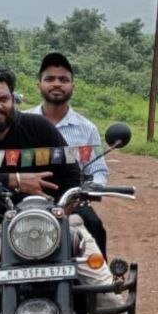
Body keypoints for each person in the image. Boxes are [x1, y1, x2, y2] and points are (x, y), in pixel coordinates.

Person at [0, 64, 139, 314]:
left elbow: (72, 173)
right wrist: (14, 180)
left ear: (13, 98)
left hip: (58, 220)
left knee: (105, 293)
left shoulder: (38, 128)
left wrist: (65, 206)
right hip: (1, 224)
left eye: (3, 98)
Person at [22, 52, 109, 255]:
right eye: (50, 79)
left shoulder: (87, 128)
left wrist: (91, 189)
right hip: (24, 200)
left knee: (94, 226)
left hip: (70, 200)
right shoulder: (20, 122)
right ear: (39, 85)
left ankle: (99, 276)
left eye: (63, 79)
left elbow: (98, 170)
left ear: (73, 86)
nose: (57, 84)